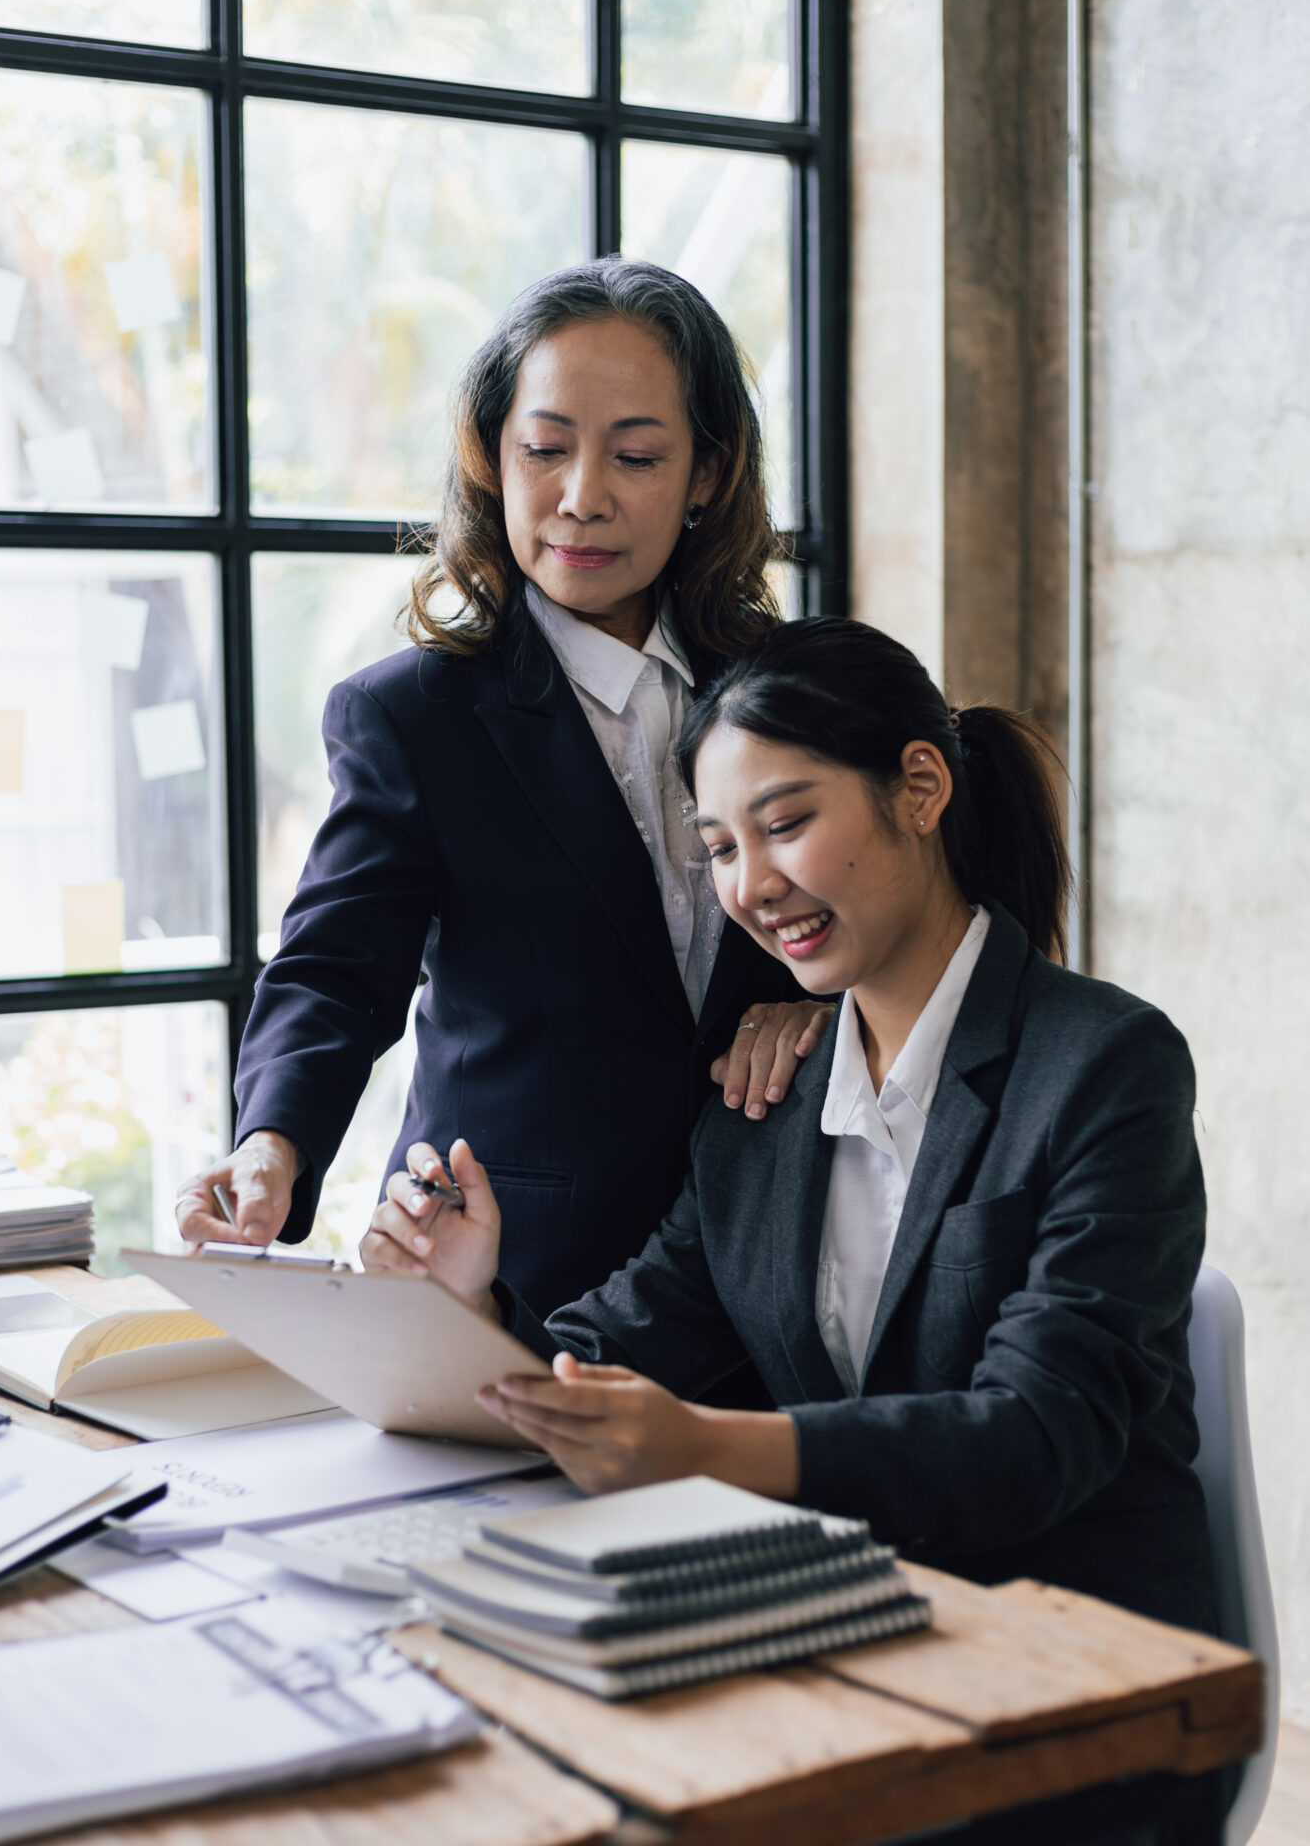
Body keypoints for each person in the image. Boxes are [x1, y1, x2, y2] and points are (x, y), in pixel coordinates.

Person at [367, 616, 1219, 1639]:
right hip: (845, 1620)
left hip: (1080, 1650)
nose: (751, 886)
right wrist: (463, 1305)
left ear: (920, 788)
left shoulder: (1104, 1063)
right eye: (720, 849)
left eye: (784, 824)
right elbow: (612, 1353)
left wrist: (710, 1448)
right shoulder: (766, 1097)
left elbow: (1040, 1434)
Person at [177, 258, 828, 1317]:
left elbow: (897, 909)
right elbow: (335, 970)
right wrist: (272, 1143)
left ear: (708, 474)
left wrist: (820, 1009)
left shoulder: (795, 689)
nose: (581, 498)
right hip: (503, 1274)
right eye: (544, 449)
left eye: (636, 456)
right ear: (491, 456)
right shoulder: (413, 716)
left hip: (769, 1264)